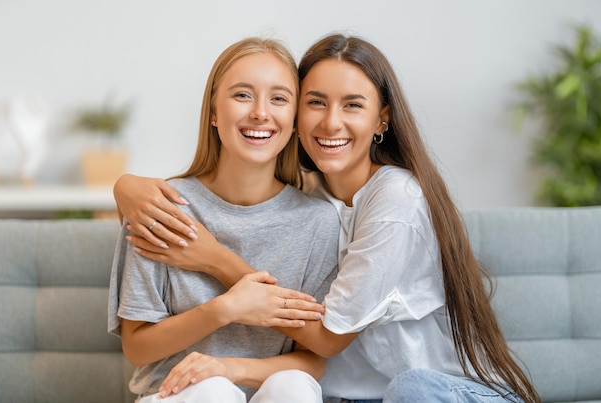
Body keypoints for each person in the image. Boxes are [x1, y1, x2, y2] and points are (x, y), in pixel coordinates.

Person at [114, 33, 541, 403]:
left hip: (434, 391)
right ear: (299, 117)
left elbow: (326, 341)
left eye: (352, 105)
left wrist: (215, 261)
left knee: (401, 389)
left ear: (382, 119)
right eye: (316, 102)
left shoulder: (391, 201)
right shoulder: (313, 194)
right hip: (344, 394)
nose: (331, 121)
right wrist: (125, 187)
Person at [107, 37, 340, 403]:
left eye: (278, 98)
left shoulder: (318, 222)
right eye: (242, 95)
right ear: (214, 112)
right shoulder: (162, 207)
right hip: (177, 394)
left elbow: (314, 361)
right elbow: (137, 349)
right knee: (213, 393)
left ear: (294, 120)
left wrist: (229, 367)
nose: (261, 113)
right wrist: (224, 309)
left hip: (268, 390)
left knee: (293, 386)